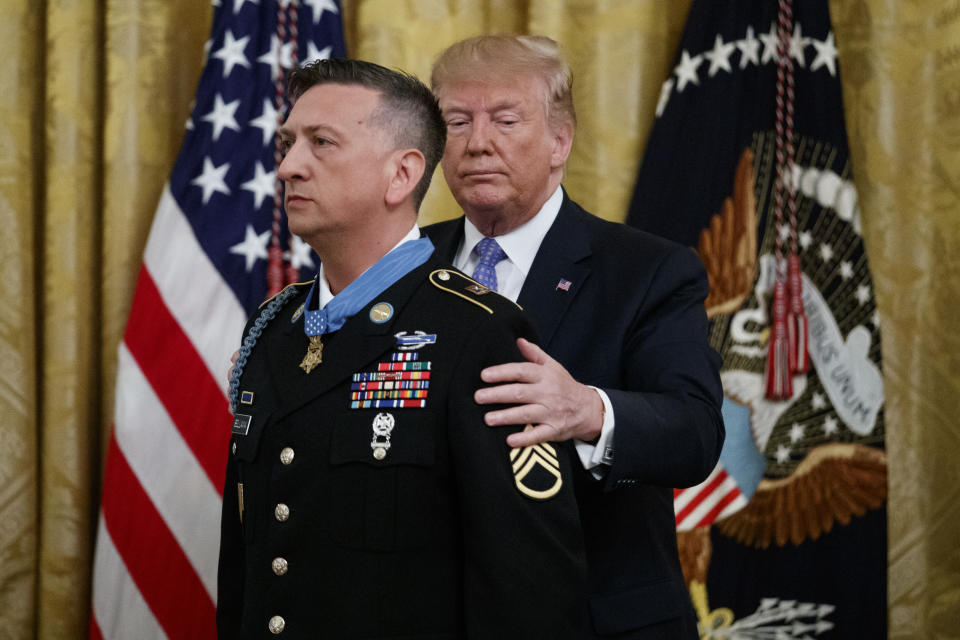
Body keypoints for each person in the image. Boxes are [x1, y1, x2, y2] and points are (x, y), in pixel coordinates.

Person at [217, 58, 586, 639]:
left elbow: (528, 587)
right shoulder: (272, 326)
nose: (288, 167)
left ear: (401, 174)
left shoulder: (476, 331)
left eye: (321, 143)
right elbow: (248, 560)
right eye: (287, 145)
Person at [423, 36, 725, 639]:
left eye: (506, 120)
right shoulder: (401, 268)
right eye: (457, 121)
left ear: (561, 140)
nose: (478, 142)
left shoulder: (647, 270)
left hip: (593, 617)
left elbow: (694, 431)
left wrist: (588, 410)